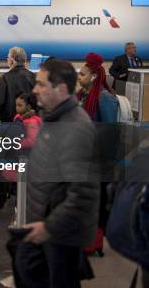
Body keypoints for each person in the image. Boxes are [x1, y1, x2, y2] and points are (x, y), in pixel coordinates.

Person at [15, 59, 99, 288]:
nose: (34, 90)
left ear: (61, 89)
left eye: (41, 84)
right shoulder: (53, 118)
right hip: (45, 226)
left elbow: (83, 193)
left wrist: (49, 227)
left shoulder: (74, 128)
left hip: (58, 233)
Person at [77, 52, 119, 253]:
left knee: (97, 202)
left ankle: (94, 241)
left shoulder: (104, 98)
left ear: (93, 76)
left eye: (82, 74)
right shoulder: (83, 96)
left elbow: (111, 133)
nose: (79, 78)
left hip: (98, 160)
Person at [0, 47, 35, 123]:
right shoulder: (34, 77)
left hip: (9, 125)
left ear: (12, 61)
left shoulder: (3, 79)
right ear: (24, 60)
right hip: (32, 124)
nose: (7, 60)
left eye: (8, 58)